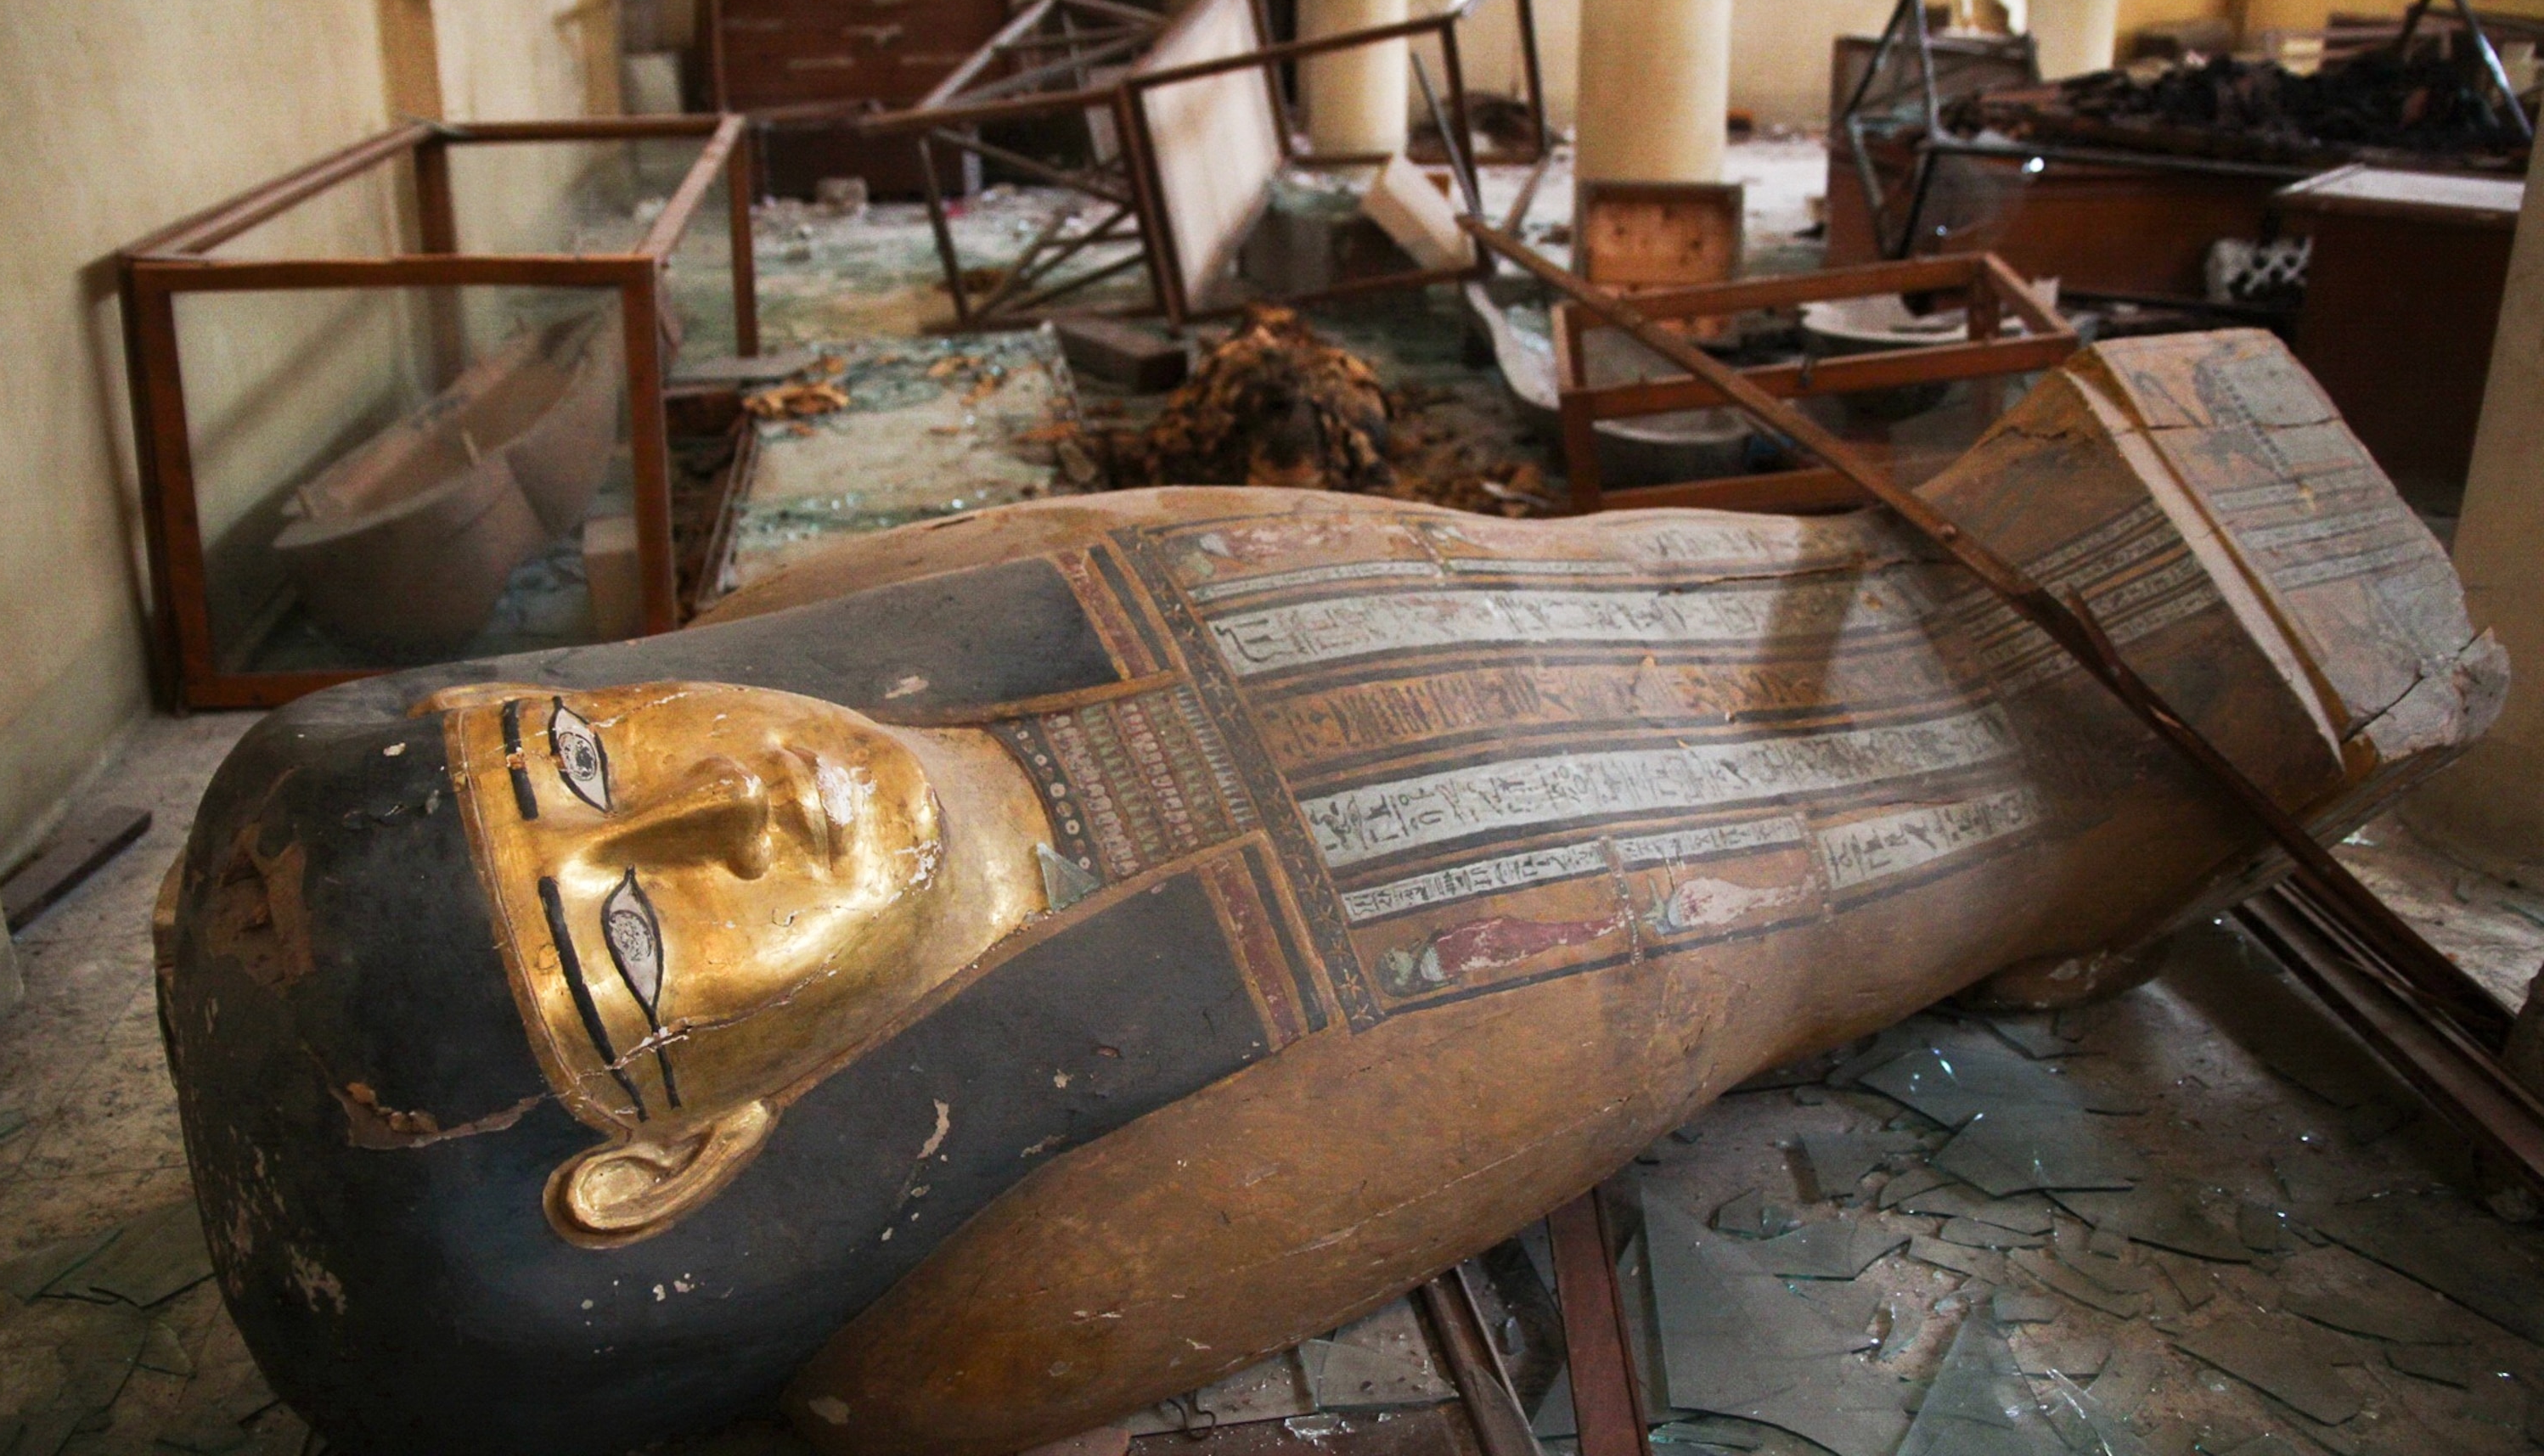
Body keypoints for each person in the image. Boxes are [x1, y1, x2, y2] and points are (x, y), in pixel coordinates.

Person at [159, 329, 2500, 1456]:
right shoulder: (1005, 1282)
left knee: (1833, 579)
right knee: (1991, 814)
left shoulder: (907, 608)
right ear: (672, 1169)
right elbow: (1632, 1013)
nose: (725, 800)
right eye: (638, 942)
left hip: (1744, 605)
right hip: (1831, 847)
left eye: (581, 749)